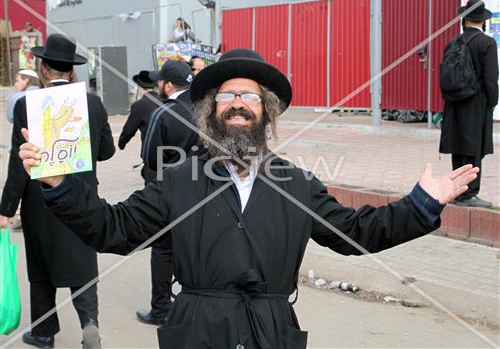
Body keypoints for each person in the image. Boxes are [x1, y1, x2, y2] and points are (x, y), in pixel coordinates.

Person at [18, 48, 478, 349]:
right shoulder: (179, 180)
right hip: (196, 331)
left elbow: (357, 233)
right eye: (227, 95)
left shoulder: (296, 184)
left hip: (272, 333)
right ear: (211, 111)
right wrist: (60, 186)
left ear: (266, 113)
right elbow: (113, 228)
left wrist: (422, 204)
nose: (238, 103)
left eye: (250, 97)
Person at [0, 33, 116, 349]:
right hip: (82, 194)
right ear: (71, 70)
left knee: (40, 265)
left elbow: (18, 160)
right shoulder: (92, 103)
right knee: (82, 256)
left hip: (40, 198)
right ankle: (89, 322)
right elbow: (107, 151)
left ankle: (43, 332)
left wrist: (6, 207)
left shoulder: (27, 104)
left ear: (44, 68)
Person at [134, 59, 203, 326]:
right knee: (194, 249)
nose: (157, 85)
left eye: (160, 81)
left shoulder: (163, 113)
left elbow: (149, 155)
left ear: (168, 85)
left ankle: (161, 308)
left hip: (168, 191)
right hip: (202, 189)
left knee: (163, 250)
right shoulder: (204, 111)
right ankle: (192, 306)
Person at [439, 0, 499, 208]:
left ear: (465, 19)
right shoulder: (487, 43)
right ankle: (469, 195)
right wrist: (492, 102)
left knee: (458, 148)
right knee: (474, 149)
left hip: (454, 105)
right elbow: (491, 79)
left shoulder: (452, 43)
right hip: (476, 104)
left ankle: (458, 191)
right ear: (482, 22)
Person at [118, 70, 163, 180]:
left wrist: (122, 143)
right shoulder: (165, 101)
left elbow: (129, 129)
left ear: (139, 87)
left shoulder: (140, 105)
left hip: (151, 154)